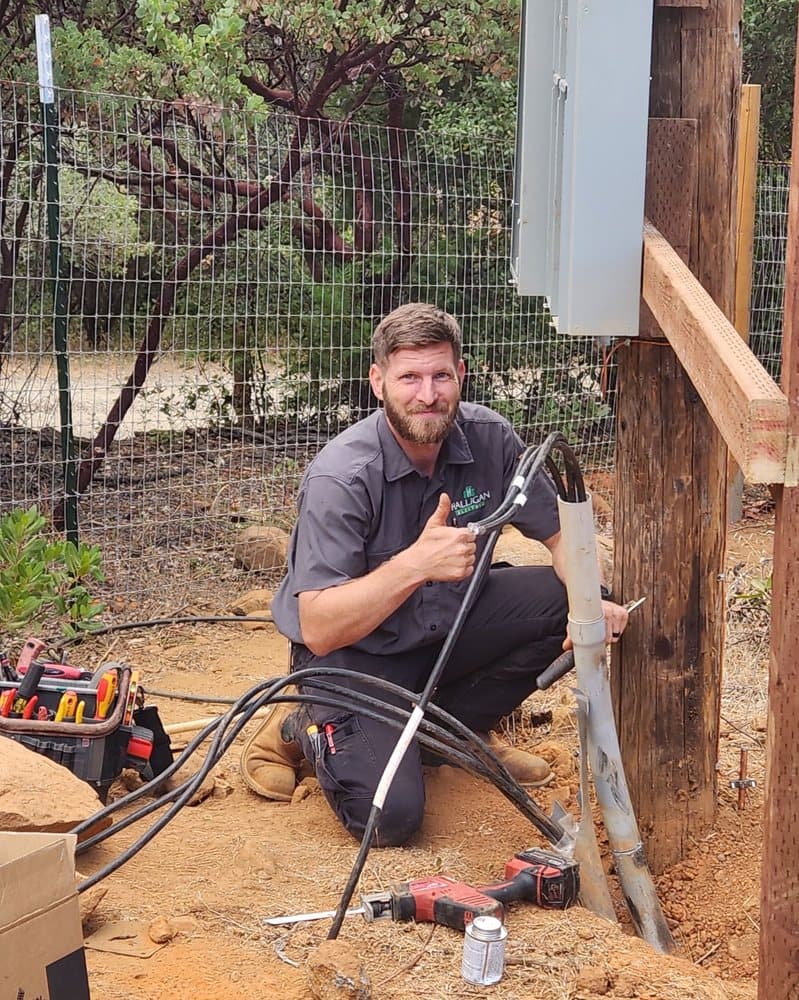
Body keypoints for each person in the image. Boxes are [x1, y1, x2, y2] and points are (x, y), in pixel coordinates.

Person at [240, 303, 629, 846]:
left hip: (448, 626)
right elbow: (320, 626)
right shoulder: (342, 476)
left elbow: (562, 537)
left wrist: (591, 604)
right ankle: (300, 722)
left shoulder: (490, 439)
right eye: (409, 378)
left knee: (563, 603)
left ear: (460, 374)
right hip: (355, 655)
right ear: (378, 382)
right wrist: (415, 565)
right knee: (389, 818)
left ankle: (450, 734)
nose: (428, 395)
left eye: (440, 375)